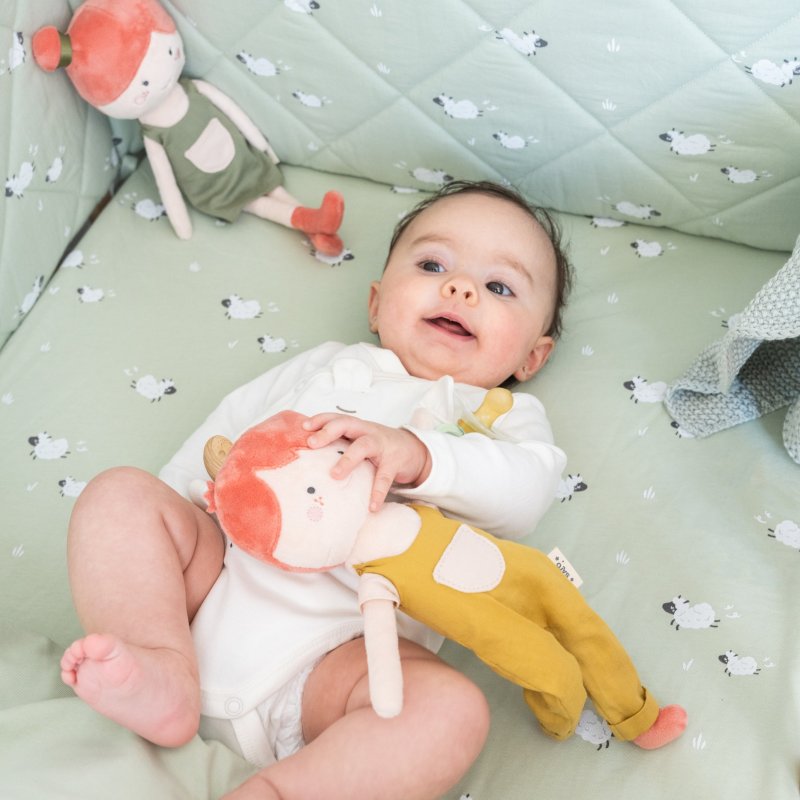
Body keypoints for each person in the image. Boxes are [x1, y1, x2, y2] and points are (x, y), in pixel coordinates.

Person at [59, 181, 680, 800]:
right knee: (121, 495)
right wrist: (182, 517)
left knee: (451, 711)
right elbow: (224, 436)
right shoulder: (329, 363)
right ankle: (158, 667)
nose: (460, 288)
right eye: (432, 265)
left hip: (341, 655)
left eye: (499, 287)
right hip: (215, 582)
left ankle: (282, 790)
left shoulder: (500, 416)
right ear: (377, 303)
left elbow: (524, 496)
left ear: (533, 357)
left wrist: (422, 458)